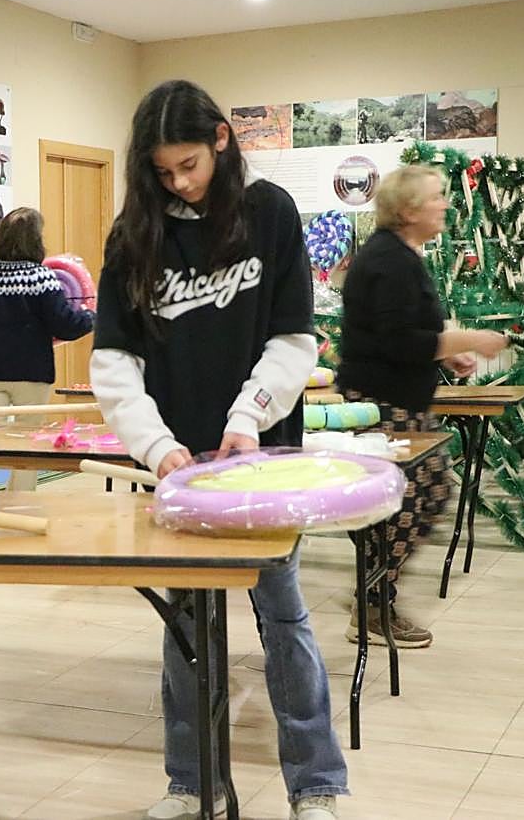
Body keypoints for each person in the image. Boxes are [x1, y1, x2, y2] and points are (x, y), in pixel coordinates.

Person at [91, 80, 346, 820]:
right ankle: (189, 780)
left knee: (284, 617)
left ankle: (317, 784)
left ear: (222, 142)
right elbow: (113, 364)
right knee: (188, 625)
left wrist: (248, 419)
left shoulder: (269, 214)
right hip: (182, 470)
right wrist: (158, 447)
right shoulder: (134, 235)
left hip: (264, 459)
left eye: (190, 164)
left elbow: (294, 339)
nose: (178, 181)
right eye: (164, 170)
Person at [336, 164, 508, 647]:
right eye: (437, 196)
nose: (445, 204)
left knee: (416, 496)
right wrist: (468, 338)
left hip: (396, 402)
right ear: (409, 209)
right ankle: (372, 603)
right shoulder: (390, 260)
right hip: (381, 407)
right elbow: (396, 342)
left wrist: (447, 352)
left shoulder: (398, 255)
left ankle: (372, 597)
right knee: (420, 495)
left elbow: (401, 333)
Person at [0, 207, 94, 491]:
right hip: (31, 373)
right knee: (28, 440)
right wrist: (91, 316)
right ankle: (22, 500)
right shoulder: (41, 278)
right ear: (35, 241)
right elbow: (65, 324)